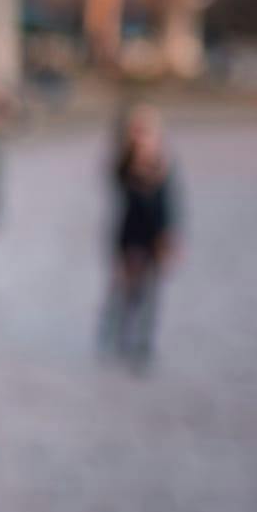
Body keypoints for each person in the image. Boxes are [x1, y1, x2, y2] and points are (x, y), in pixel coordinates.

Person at [98, 104, 181, 370]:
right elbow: (123, 188)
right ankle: (116, 336)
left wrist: (170, 238)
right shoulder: (124, 163)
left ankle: (144, 344)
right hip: (129, 237)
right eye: (138, 130)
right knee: (124, 290)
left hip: (154, 237)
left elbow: (170, 204)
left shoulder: (164, 164)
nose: (142, 136)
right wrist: (140, 167)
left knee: (151, 294)